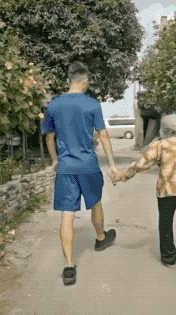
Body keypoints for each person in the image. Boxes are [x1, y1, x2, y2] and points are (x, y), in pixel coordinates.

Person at [111, 114, 176, 291]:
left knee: (165, 224)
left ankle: (169, 258)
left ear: (163, 130)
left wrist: (121, 176)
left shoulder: (159, 145)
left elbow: (140, 165)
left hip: (167, 191)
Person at [43, 61, 118, 286]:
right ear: (83, 81)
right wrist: (112, 165)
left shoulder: (54, 105)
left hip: (66, 168)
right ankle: (101, 238)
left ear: (69, 80)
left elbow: (49, 137)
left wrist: (55, 160)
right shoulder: (92, 105)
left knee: (67, 214)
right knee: (95, 203)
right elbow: (103, 136)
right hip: (88, 166)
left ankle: (68, 266)